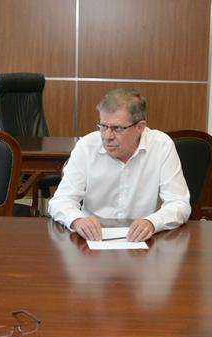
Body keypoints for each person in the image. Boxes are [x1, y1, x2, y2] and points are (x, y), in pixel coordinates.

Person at [48, 88, 191, 242]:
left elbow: (179, 203)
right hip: (93, 241)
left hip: (144, 242)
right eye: (103, 126)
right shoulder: (87, 146)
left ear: (140, 127)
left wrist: (152, 222)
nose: (107, 137)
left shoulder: (161, 146)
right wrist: (76, 220)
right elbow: (61, 200)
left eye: (117, 128)